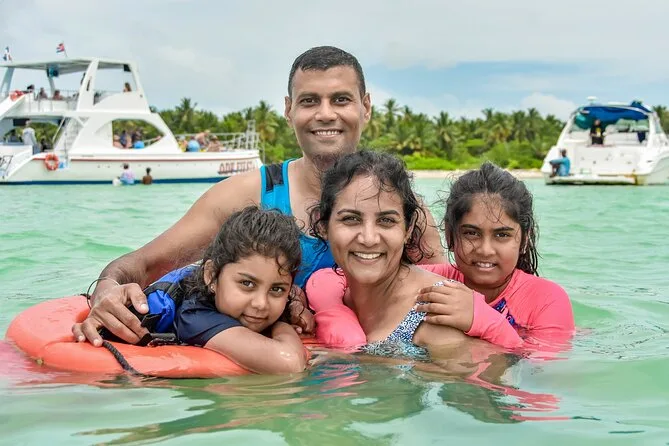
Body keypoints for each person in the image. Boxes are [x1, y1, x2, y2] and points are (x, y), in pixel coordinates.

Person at [72, 45, 446, 348]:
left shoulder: (401, 212)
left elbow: (447, 293)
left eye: (341, 100)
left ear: (365, 107)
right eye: (309, 101)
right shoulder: (247, 195)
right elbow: (141, 265)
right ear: (288, 110)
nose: (325, 114)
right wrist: (106, 290)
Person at [309, 161, 574, 351]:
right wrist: (335, 314)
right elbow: (334, 279)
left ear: (524, 239)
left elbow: (541, 375)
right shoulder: (439, 282)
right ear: (449, 235)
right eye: (471, 233)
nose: (485, 249)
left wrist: (487, 322)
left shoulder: (546, 298)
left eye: (502, 235)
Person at [307, 150, 482, 359]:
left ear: (408, 230)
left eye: (386, 221)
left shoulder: (436, 315)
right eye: (351, 219)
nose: (369, 238)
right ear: (323, 226)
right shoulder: (326, 303)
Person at [170, 206, 307, 374]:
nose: (261, 304)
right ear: (211, 275)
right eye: (247, 284)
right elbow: (290, 362)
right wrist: (282, 326)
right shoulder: (194, 317)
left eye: (277, 289)